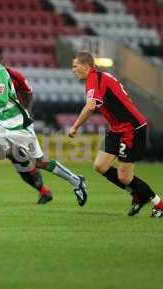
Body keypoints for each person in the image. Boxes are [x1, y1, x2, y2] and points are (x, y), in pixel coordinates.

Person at [0, 41, 88, 209]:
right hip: (1, 124)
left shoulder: (0, 72)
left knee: (40, 162)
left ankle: (76, 181)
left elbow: (1, 100)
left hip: (18, 126)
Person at [69, 51, 163, 218]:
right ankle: (138, 195)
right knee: (100, 166)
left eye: (75, 66)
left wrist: (75, 126)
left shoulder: (94, 78)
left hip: (131, 128)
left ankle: (159, 204)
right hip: (117, 128)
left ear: (86, 66)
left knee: (124, 175)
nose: (73, 70)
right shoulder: (100, 77)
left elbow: (91, 106)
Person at [0, 46, 53, 204]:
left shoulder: (13, 75)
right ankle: (43, 190)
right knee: (5, 155)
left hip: (15, 123)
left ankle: (42, 189)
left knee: (13, 155)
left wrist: (26, 113)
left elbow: (29, 93)